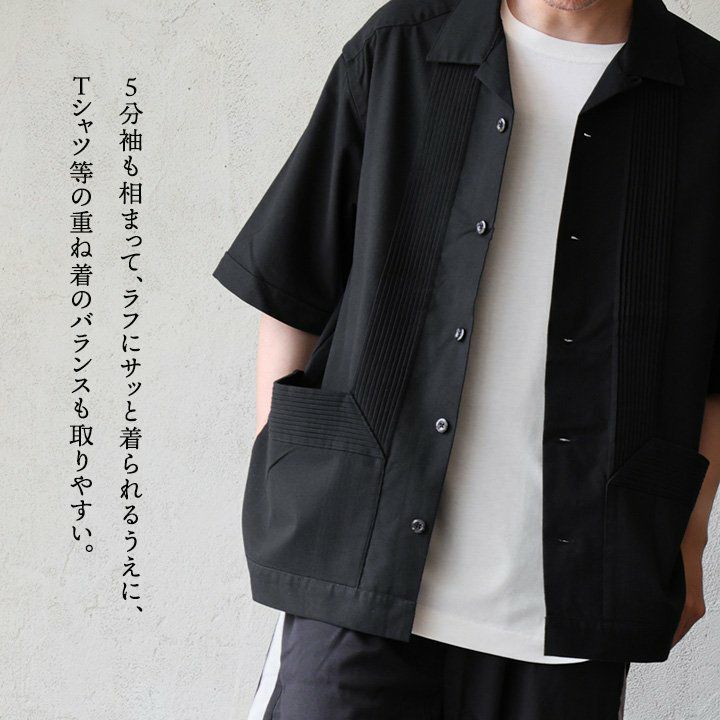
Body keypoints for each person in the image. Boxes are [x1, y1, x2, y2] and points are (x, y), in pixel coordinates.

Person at [213, 0, 720, 717]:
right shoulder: (403, 49)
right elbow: (294, 286)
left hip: (572, 605)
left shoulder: (705, 95)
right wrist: (287, 479)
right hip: (360, 578)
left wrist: (690, 540)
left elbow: (712, 368)